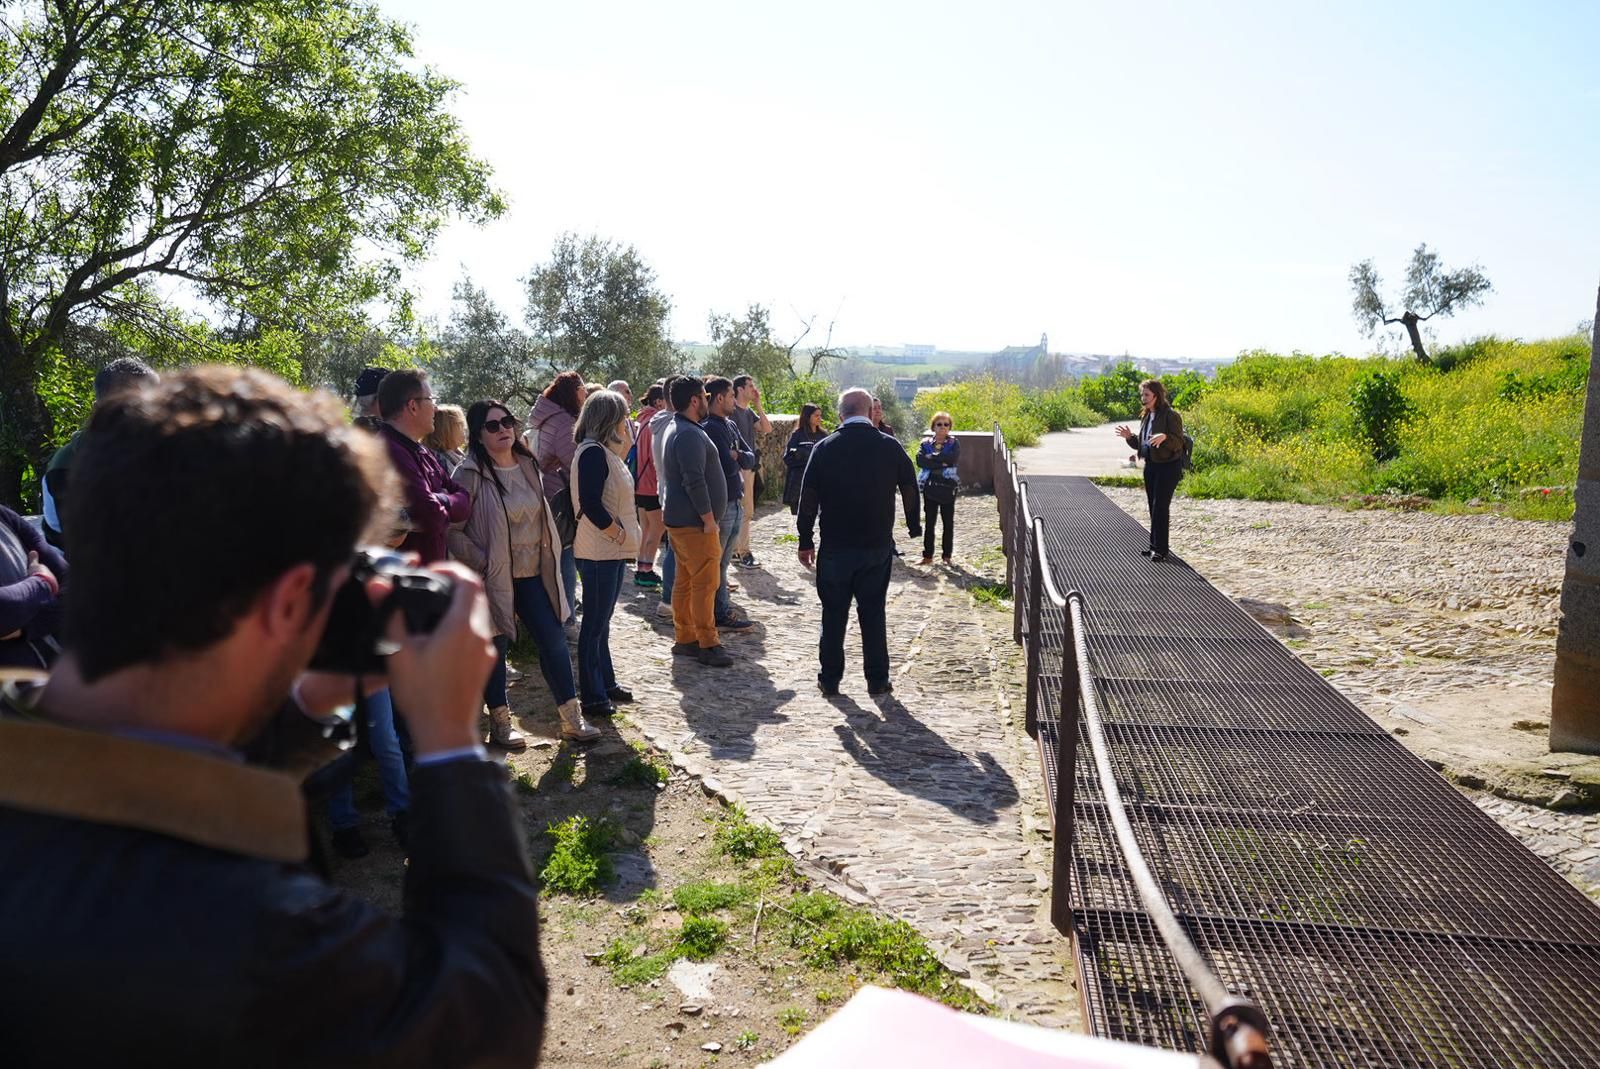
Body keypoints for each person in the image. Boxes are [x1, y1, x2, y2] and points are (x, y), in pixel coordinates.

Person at [0, 366, 547, 1066]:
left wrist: (299, 706)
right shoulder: (242, 930)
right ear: (290, 602)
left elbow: (146, 790)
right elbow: (486, 1021)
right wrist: (448, 742)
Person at [450, 400, 598, 744]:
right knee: (494, 650)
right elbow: (452, 531)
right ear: (478, 434)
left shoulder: (529, 463)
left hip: (534, 573)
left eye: (507, 422)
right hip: (492, 577)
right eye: (492, 425)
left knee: (554, 642)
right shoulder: (468, 473)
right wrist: (483, 560)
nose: (503, 429)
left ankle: (571, 719)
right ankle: (501, 724)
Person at [797, 388, 920, 697]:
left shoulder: (824, 448)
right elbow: (909, 484)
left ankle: (830, 678)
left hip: (836, 546)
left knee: (834, 614)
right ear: (869, 412)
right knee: (873, 613)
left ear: (840, 415)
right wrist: (914, 524)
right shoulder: (889, 447)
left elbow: (808, 496)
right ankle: (877, 680)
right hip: (876, 545)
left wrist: (805, 539)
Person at [571, 389, 643, 716]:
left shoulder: (603, 451)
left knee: (603, 623)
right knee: (594, 625)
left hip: (608, 551)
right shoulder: (592, 453)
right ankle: (593, 696)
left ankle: (606, 684)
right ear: (608, 419)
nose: (627, 421)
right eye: (622, 416)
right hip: (599, 551)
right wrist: (618, 534)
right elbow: (590, 504)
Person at [41, 357, 160, 547]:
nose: (146, 415)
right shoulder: (66, 467)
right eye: (130, 407)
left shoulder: (169, 451)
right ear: (98, 410)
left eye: (156, 405)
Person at [659, 377, 733, 667]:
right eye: (704, 395)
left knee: (686, 580)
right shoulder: (689, 433)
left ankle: (686, 637)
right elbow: (694, 480)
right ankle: (707, 642)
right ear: (694, 400)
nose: (707, 399)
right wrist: (709, 519)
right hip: (695, 523)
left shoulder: (680, 428)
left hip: (681, 520)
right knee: (705, 582)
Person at [378, 369, 469, 565]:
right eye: (431, 399)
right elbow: (431, 517)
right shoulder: (390, 451)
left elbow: (464, 499)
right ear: (412, 406)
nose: (435, 408)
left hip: (426, 578)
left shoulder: (422, 451)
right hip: (402, 583)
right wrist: (443, 502)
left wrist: (438, 499)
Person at [528, 371, 586, 628]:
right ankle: (566, 618)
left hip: (549, 492)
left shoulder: (550, 416)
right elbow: (575, 462)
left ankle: (563, 613)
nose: (585, 394)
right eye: (582, 389)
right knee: (565, 557)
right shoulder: (563, 421)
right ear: (571, 392)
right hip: (559, 496)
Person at [700, 377, 757, 630]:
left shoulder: (731, 425)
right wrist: (736, 457)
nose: (735, 399)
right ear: (719, 398)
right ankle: (715, 613)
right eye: (732, 395)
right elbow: (725, 461)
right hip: (721, 505)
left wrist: (738, 456)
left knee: (723, 564)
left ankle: (720, 611)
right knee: (715, 563)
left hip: (736, 501)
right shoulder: (710, 427)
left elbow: (750, 458)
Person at [1115, 378, 1187, 562]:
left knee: (1160, 507)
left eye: (1146, 395)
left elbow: (1179, 441)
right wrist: (1130, 437)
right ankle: (1154, 546)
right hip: (1151, 466)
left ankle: (1161, 550)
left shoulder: (1171, 416)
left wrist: (1165, 437)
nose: (1143, 398)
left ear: (1157, 396)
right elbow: (1143, 444)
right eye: (1142, 394)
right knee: (1152, 506)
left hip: (1169, 467)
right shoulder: (1147, 416)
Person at [0, 504, 67, 671]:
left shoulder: (4, 516)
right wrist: (42, 582)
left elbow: (76, 588)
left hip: (53, 680)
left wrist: (24, 627)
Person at [649, 376, 683, 619]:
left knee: (673, 547)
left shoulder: (657, 422)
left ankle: (670, 599)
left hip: (664, 490)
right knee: (675, 549)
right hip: (674, 493)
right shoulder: (674, 425)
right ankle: (669, 601)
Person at [729, 374, 771, 568]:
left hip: (749, 467)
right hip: (738, 468)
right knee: (744, 511)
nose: (754, 388)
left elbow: (767, 428)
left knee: (745, 511)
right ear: (739, 389)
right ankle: (743, 552)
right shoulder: (731, 411)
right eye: (750, 385)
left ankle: (737, 551)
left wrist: (758, 404)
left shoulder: (748, 413)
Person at [632, 381, 668, 589]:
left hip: (639, 483)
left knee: (646, 527)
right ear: (659, 401)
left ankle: (641, 568)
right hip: (650, 484)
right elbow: (655, 458)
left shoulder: (642, 420)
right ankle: (646, 570)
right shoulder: (655, 422)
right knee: (657, 527)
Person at [916, 411, 961, 565]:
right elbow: (920, 461)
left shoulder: (954, 443)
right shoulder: (925, 444)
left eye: (946, 424)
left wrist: (932, 458)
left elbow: (952, 458)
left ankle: (947, 556)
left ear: (949, 427)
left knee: (948, 523)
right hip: (930, 487)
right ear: (933, 427)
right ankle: (927, 556)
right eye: (939, 424)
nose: (942, 427)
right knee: (930, 522)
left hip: (948, 487)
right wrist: (941, 462)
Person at [782, 403, 827, 515]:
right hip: (799, 483)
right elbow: (788, 458)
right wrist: (807, 456)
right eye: (816, 416)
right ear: (808, 417)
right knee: (802, 517)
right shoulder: (797, 435)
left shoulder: (823, 436)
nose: (819, 418)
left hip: (820, 482)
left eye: (820, 415)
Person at [425, 402, 468, 473]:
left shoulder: (458, 455)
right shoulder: (438, 462)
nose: (464, 428)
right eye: (460, 424)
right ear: (446, 430)